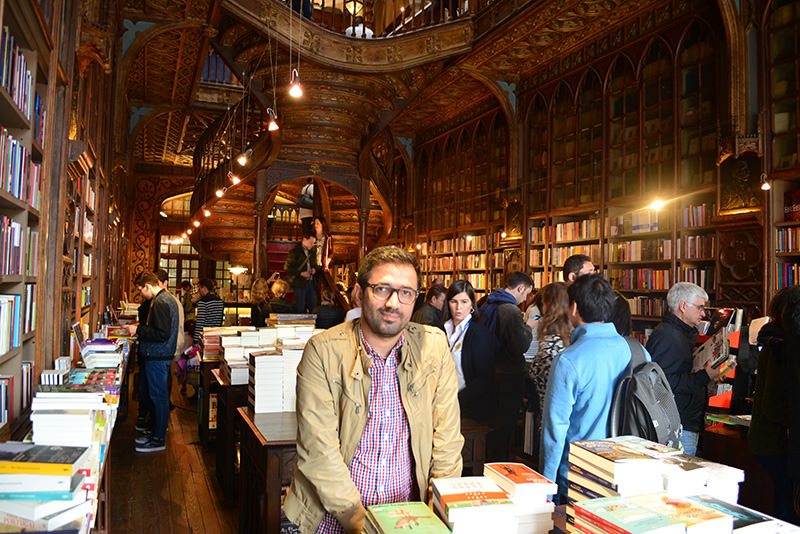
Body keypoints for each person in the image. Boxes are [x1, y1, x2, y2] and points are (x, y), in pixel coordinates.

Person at [284, 246, 464, 533]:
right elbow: (318, 451)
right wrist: (366, 526)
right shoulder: (323, 350)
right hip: (333, 518)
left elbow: (447, 439)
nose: (393, 302)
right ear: (358, 293)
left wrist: (437, 513)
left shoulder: (434, 345)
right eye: (381, 289)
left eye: (406, 293)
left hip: (412, 519)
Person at [541, 274, 635, 502]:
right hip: (625, 467)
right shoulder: (633, 349)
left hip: (578, 472)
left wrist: (545, 486)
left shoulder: (570, 360)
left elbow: (555, 429)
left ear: (573, 308)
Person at [646, 282, 722, 456]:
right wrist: (705, 376)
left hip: (683, 418)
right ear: (682, 306)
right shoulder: (669, 337)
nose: (703, 314)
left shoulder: (680, 333)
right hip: (677, 423)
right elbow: (664, 384)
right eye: (700, 308)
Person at [748, 286, 800, 524]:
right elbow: (772, 403)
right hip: (775, 441)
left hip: (771, 439)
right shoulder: (781, 345)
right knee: (786, 503)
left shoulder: (775, 339)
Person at [478, 271, 536, 461]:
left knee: (491, 422)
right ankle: (499, 464)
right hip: (507, 375)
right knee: (504, 425)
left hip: (488, 371)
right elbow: (519, 345)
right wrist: (528, 327)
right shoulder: (510, 310)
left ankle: (487, 460)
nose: (525, 298)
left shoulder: (488, 302)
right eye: (527, 293)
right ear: (520, 288)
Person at [125, 271, 180, 453]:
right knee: (157, 396)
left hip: (158, 356)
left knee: (158, 397)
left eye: (141, 290)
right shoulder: (165, 299)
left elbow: (161, 334)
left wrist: (138, 329)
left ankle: (158, 439)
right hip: (159, 355)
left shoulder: (161, 302)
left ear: (148, 286)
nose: (141, 294)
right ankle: (155, 433)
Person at [442, 279, 497, 426]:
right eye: (454, 301)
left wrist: (455, 401)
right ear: (448, 303)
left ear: (472, 304)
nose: (459, 307)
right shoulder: (441, 330)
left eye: (464, 302)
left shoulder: (479, 333)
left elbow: (484, 380)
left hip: (468, 410)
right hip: (440, 405)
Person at [528, 282, 572, 456]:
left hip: (550, 410)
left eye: (544, 303)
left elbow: (539, 372)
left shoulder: (550, 337)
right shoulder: (571, 333)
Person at [285, 232, 318, 314]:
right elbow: (287, 267)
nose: (312, 245)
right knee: (300, 307)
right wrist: (300, 273)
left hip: (311, 282)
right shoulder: (295, 252)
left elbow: (315, 264)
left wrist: (314, 269)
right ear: (304, 239)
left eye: (313, 243)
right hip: (299, 284)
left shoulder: (312, 252)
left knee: (313, 307)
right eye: (311, 242)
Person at [194, 278, 224, 343]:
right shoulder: (220, 301)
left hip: (205, 337)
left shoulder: (203, 302)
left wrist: (196, 340)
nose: (199, 291)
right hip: (216, 336)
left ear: (204, 288)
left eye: (199, 288)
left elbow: (200, 323)